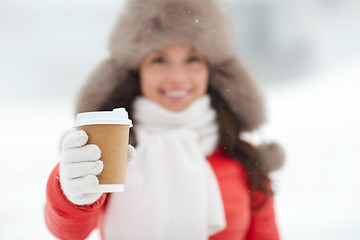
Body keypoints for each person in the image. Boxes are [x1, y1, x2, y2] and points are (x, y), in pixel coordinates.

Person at [44, 0, 285, 239]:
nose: (178, 78)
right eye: (159, 60)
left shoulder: (244, 159)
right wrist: (71, 192)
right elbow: (69, 231)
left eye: (193, 60)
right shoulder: (109, 151)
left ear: (211, 69)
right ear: (137, 71)